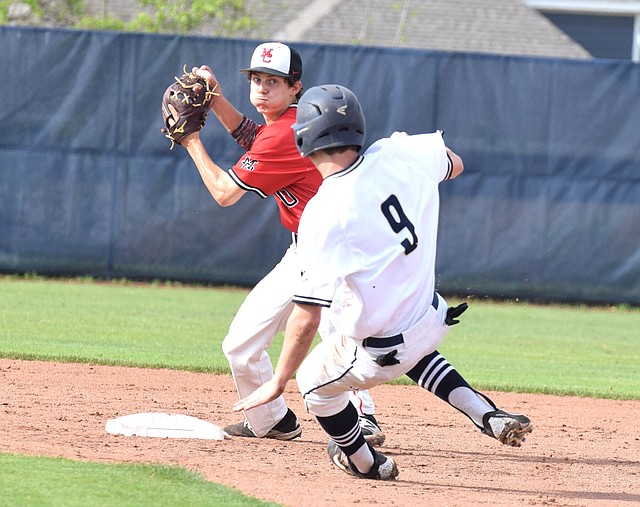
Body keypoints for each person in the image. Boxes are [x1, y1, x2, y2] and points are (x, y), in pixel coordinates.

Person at [233, 84, 533, 480]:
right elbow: (454, 164)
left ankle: (367, 463)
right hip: (430, 317)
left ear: (303, 139)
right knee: (413, 348)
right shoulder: (398, 153)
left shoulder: (324, 212)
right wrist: (407, 155)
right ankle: (486, 414)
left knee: (315, 387)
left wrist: (278, 381)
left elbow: (306, 318)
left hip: (383, 351)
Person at [180, 42, 383, 442]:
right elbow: (254, 138)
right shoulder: (287, 124)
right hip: (302, 250)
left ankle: (363, 419)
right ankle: (273, 421)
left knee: (338, 334)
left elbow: (224, 192)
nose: (261, 88)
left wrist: (191, 141)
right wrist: (217, 99)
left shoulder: (284, 133)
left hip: (334, 251)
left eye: (273, 81)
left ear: (295, 89)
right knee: (240, 346)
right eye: (256, 79)